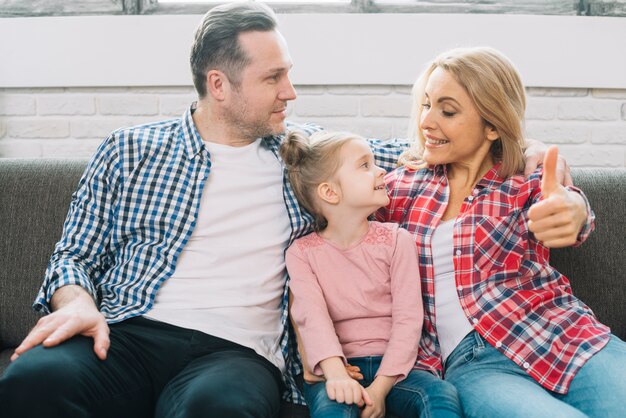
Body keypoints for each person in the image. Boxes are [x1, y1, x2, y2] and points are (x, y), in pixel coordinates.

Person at [0, 2, 571, 416]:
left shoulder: (306, 155)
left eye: (288, 73)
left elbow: (419, 156)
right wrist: (75, 301)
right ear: (218, 84)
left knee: (218, 410)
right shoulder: (131, 150)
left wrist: (531, 151)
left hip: (235, 353)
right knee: (30, 382)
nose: (290, 92)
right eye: (274, 78)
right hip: (128, 332)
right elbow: (74, 252)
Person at [375, 46, 626, 418]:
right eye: (425, 105)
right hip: (475, 364)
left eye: (447, 110)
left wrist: (572, 212)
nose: (426, 121)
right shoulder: (398, 187)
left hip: (564, 335)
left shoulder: (524, 178)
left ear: (493, 125)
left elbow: (571, 208)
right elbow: (332, 158)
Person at [281, 130, 462, 418]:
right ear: (330, 192)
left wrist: (380, 388)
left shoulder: (396, 241)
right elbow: (311, 317)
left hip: (397, 372)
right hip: (339, 367)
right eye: (365, 165)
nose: (380, 171)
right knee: (333, 410)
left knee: (441, 395)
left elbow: (408, 319)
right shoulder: (301, 253)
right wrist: (335, 372)